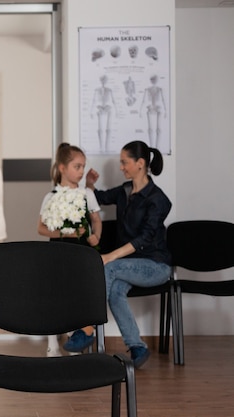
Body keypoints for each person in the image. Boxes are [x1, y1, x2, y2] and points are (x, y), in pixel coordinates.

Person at [84, 140, 172, 369]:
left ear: (140, 163)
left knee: (109, 267)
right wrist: (89, 185)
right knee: (114, 293)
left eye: (125, 162)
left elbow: (144, 239)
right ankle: (138, 347)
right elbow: (99, 199)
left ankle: (86, 328)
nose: (121, 167)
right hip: (130, 265)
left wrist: (111, 256)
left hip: (155, 266)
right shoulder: (124, 191)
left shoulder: (158, 199)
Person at [37, 143, 102, 356]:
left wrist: (96, 236)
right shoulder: (50, 197)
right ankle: (52, 342)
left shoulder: (86, 194)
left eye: (83, 167)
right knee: (54, 296)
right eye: (77, 166)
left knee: (78, 296)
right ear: (63, 168)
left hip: (81, 253)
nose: (81, 171)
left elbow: (96, 220)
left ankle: (76, 340)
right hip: (57, 253)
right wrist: (66, 234)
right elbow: (41, 228)